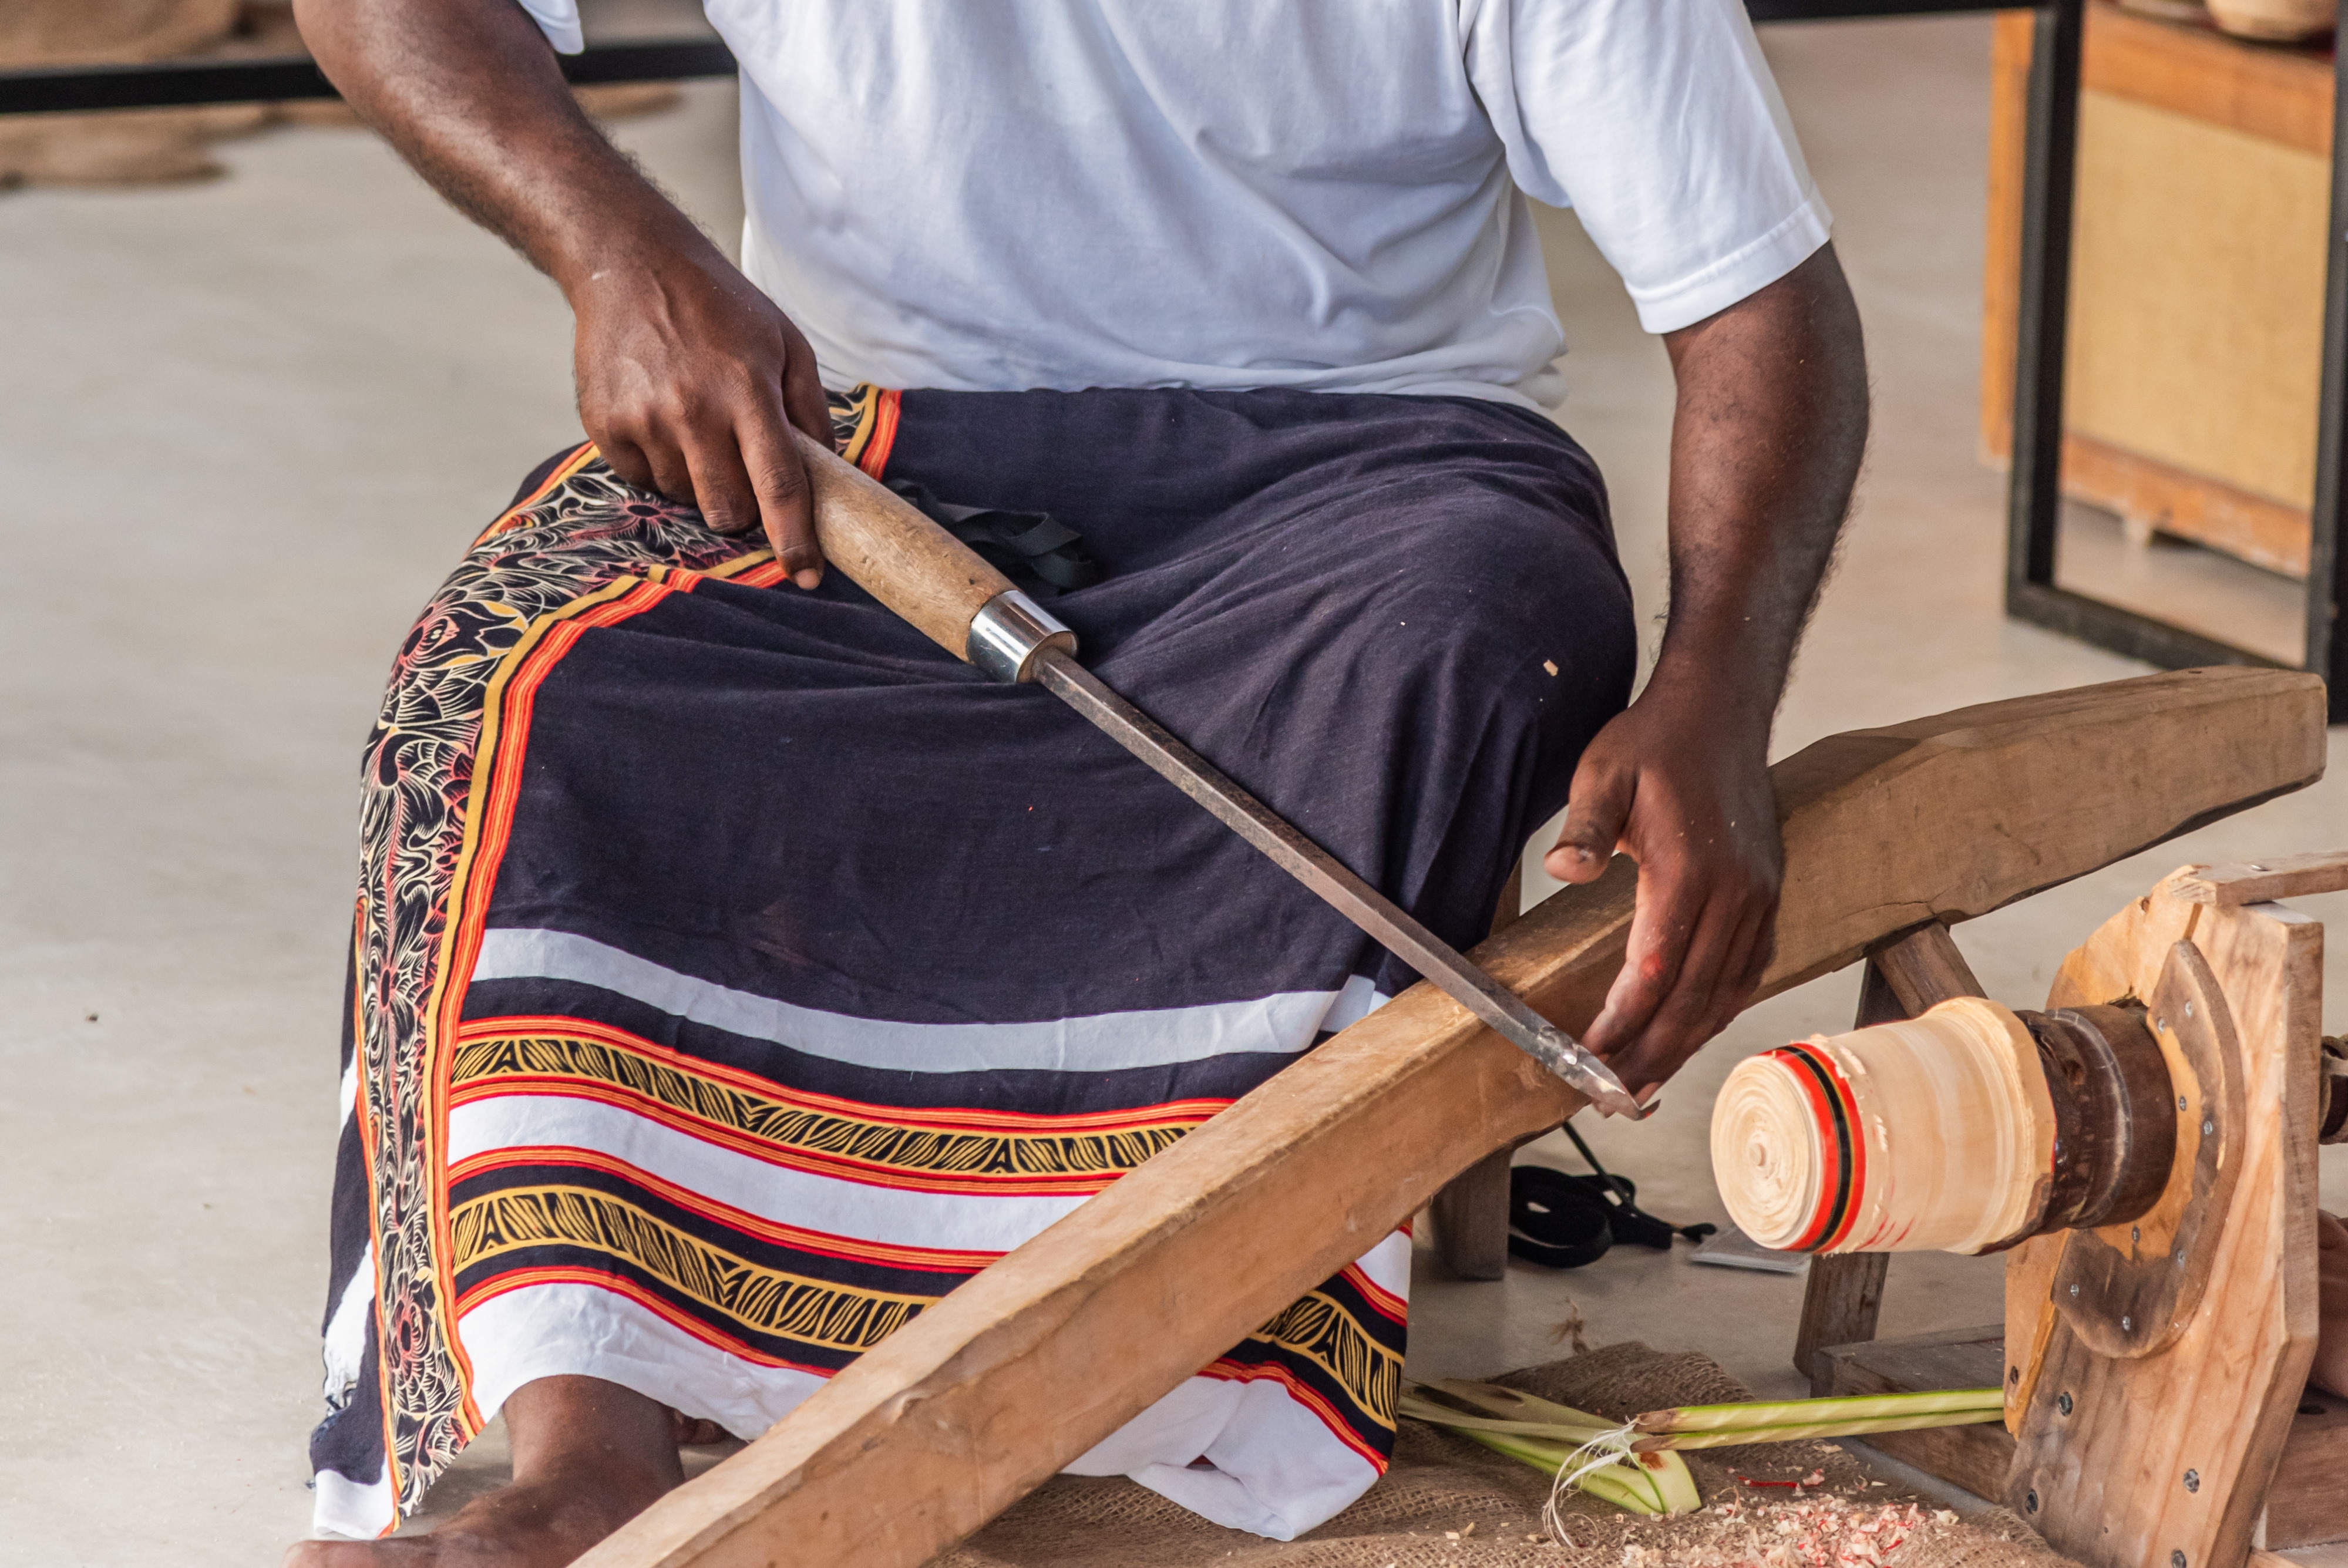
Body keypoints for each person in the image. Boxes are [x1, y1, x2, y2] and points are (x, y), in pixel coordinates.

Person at [284, 1, 1868, 1562]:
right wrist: (614, 247)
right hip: (848, 454)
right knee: (511, 696)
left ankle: (1107, 1362)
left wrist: (1717, 691)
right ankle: (591, 1449)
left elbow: (1760, 300)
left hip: (1370, 476)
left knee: (1453, 638)